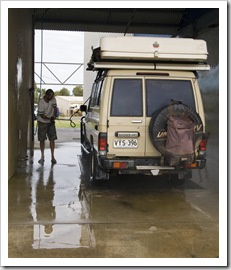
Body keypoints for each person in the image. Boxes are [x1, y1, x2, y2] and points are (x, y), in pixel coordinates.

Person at [37, 89, 57, 164]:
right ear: (47, 95)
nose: (52, 98)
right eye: (51, 96)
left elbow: (55, 108)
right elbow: (42, 115)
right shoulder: (41, 102)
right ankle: (42, 156)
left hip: (51, 122)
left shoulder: (53, 99)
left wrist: (54, 116)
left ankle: (53, 157)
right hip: (42, 122)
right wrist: (49, 118)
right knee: (42, 139)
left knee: (52, 138)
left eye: (53, 96)